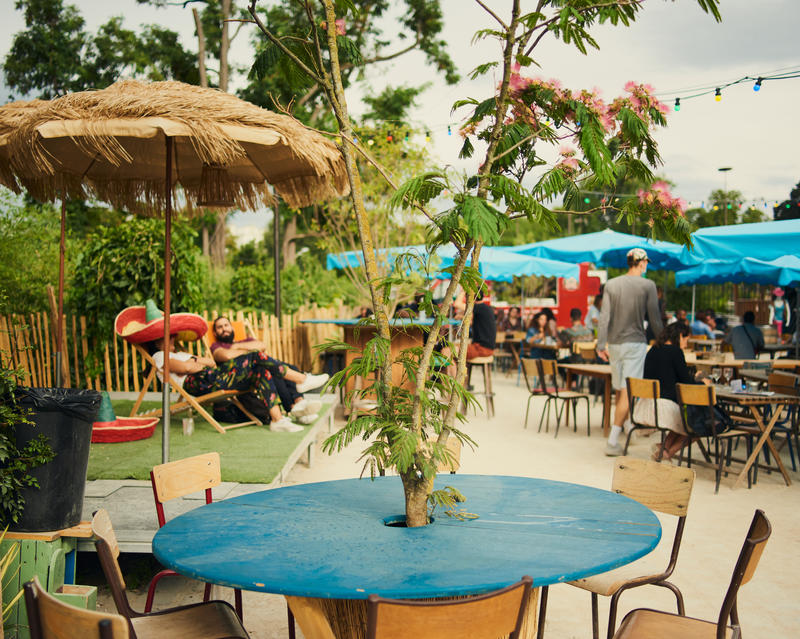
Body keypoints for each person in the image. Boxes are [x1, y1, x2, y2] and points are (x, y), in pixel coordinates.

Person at [151, 335, 304, 433]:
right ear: (157, 342)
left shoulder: (180, 355)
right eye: (168, 336)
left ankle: (277, 420)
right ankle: (301, 380)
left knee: (260, 371)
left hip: (209, 377)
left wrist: (194, 362)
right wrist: (192, 364)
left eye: (172, 335)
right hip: (199, 383)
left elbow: (210, 363)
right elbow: (186, 368)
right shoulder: (159, 356)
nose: (172, 337)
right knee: (256, 356)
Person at [597, 247, 663, 456]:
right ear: (642, 263)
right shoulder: (648, 285)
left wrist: (601, 344)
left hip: (614, 344)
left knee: (620, 388)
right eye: (646, 263)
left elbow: (604, 317)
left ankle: (626, 429)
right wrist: (662, 341)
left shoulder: (612, 284)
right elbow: (654, 318)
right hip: (635, 343)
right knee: (628, 390)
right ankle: (613, 440)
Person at [210, 317, 328, 422]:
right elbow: (226, 356)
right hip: (241, 378)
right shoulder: (217, 346)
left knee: (289, 367)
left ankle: (299, 403)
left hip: (258, 372)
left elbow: (261, 346)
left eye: (226, 325)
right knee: (272, 369)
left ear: (232, 328)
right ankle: (295, 404)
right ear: (215, 333)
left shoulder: (244, 341)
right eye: (220, 327)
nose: (224, 329)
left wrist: (236, 347)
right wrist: (250, 352)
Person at [634, 322, 714, 461]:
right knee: (699, 424)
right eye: (686, 339)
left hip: (647, 403)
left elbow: (668, 377)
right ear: (679, 336)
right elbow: (685, 384)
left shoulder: (654, 349)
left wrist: (692, 379)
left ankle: (663, 448)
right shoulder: (675, 352)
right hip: (664, 407)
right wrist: (702, 382)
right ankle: (668, 453)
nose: (686, 343)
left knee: (689, 419)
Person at [466, 289, 496, 360]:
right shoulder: (486, 308)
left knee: (447, 351)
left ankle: (452, 371)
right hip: (486, 347)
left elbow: (457, 303)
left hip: (481, 348)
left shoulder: (478, 308)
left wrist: (464, 289)